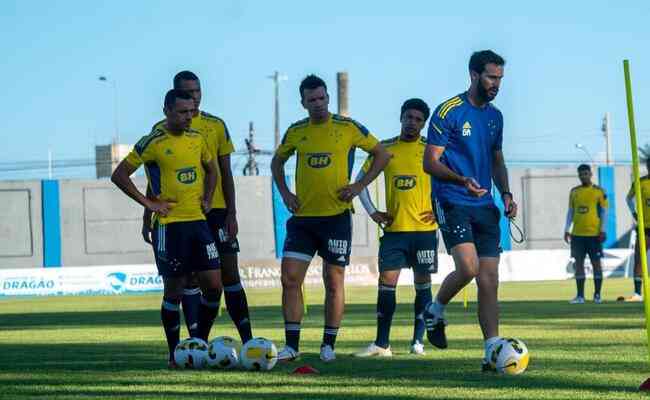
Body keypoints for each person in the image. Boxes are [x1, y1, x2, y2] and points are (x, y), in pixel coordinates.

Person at [271, 74, 390, 362]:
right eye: (312, 100)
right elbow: (277, 161)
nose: (318, 104)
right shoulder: (296, 131)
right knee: (289, 279)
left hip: (336, 218)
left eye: (322, 98)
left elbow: (381, 154)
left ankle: (328, 345)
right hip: (303, 220)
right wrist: (286, 193)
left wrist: (359, 186)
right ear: (303, 103)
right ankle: (292, 346)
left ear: (328, 98)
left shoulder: (347, 128)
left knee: (333, 281)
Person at [112, 89, 222, 367]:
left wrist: (208, 198)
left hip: (198, 222)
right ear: (167, 111)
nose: (189, 117)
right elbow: (119, 175)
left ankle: (199, 341)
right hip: (170, 227)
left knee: (213, 285)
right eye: (183, 112)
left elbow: (212, 170)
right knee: (175, 289)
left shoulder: (198, 139)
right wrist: (149, 204)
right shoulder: (153, 141)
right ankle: (175, 353)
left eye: (192, 112)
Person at [422, 50, 517, 372]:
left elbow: (497, 160)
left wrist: (505, 193)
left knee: (489, 279)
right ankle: (434, 310)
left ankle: (491, 350)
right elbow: (429, 163)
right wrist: (462, 180)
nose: (496, 84)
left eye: (500, 78)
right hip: (452, 198)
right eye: (491, 77)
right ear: (474, 75)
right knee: (469, 268)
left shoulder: (495, 116)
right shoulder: (448, 111)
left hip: (485, 204)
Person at [143, 71, 253, 343]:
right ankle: (195, 342)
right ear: (175, 95)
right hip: (182, 216)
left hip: (215, 213)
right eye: (187, 92)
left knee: (228, 275)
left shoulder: (216, 125)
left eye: (197, 91)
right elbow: (155, 177)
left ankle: (248, 339)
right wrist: (148, 213)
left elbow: (224, 172)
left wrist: (232, 212)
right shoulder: (160, 129)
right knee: (187, 280)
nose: (194, 97)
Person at [353, 98, 438, 357]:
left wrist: (439, 211)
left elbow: (450, 183)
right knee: (386, 283)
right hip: (394, 232)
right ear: (401, 117)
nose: (412, 122)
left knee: (422, 285)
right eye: (408, 117)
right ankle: (382, 344)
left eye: (418, 119)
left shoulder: (432, 150)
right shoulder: (385, 150)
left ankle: (417, 343)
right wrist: (373, 212)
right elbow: (359, 182)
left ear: (424, 123)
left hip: (424, 232)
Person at [564, 164, 608, 304]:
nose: (584, 176)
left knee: (596, 264)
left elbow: (604, 212)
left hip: (594, 235)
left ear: (591, 174)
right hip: (577, 235)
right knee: (579, 264)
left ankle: (597, 295)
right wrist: (567, 229)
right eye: (581, 174)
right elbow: (570, 212)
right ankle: (580, 296)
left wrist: (603, 230)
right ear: (578, 175)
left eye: (586, 173)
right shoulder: (574, 192)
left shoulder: (599, 191)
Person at [624, 157, 650, 302]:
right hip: (645, 227)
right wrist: (634, 213)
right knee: (639, 259)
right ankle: (638, 293)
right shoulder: (640, 182)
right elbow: (628, 199)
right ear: (647, 166)